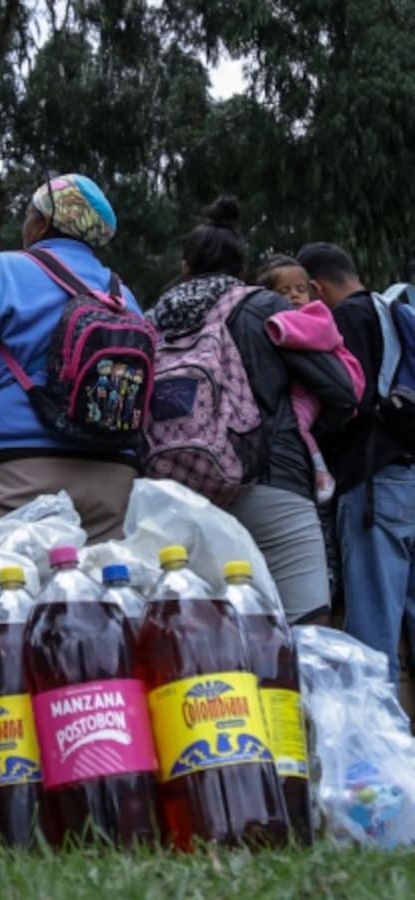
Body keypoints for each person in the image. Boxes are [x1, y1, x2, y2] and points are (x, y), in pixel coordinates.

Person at [147, 201, 357, 624]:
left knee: (208, 634)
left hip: (176, 494)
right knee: (306, 629)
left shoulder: (153, 318)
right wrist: (305, 433)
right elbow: (340, 390)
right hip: (270, 480)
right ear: (240, 270)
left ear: (185, 267)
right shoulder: (264, 307)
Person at [0, 173, 142, 541]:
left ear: (42, 223)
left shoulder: (5, 270)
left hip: (15, 474)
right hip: (113, 478)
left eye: (29, 214)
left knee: (10, 592)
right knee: (93, 596)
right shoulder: (123, 295)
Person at [298, 242, 415, 677]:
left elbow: (350, 402)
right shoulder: (398, 312)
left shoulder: (347, 318)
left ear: (316, 288)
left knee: (374, 632)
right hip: (409, 473)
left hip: (374, 482)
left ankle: (372, 739)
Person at [257, 254, 362, 505]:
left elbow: (317, 334)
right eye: (284, 291)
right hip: (307, 387)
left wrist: (279, 326)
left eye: (300, 289)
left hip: (333, 383)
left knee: (298, 424)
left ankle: (320, 472)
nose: (294, 295)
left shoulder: (317, 314)